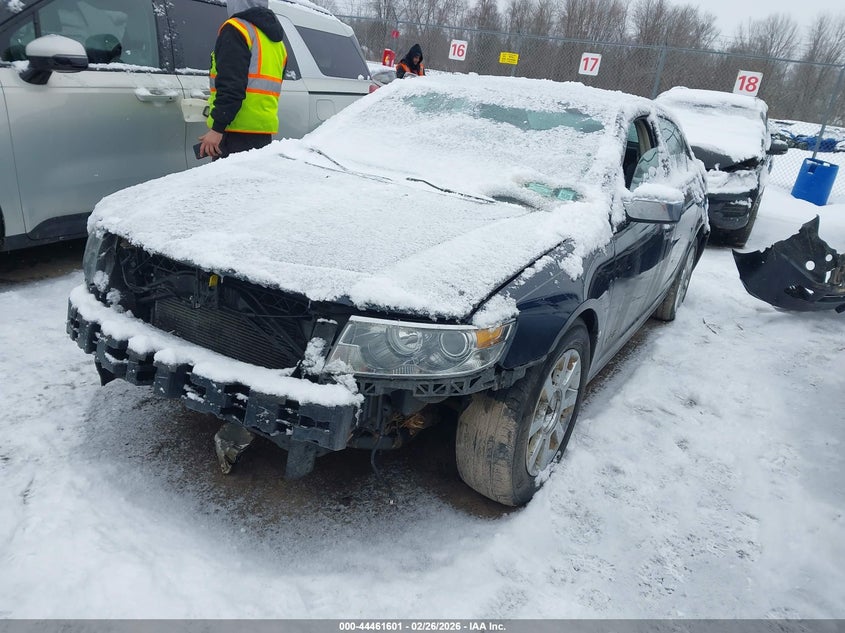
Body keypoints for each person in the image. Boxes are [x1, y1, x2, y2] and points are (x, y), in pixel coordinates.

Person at [198, 0, 287, 159]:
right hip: (262, 132)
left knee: (227, 183)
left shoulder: (236, 28)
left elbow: (231, 85)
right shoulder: (276, 40)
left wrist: (217, 128)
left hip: (235, 132)